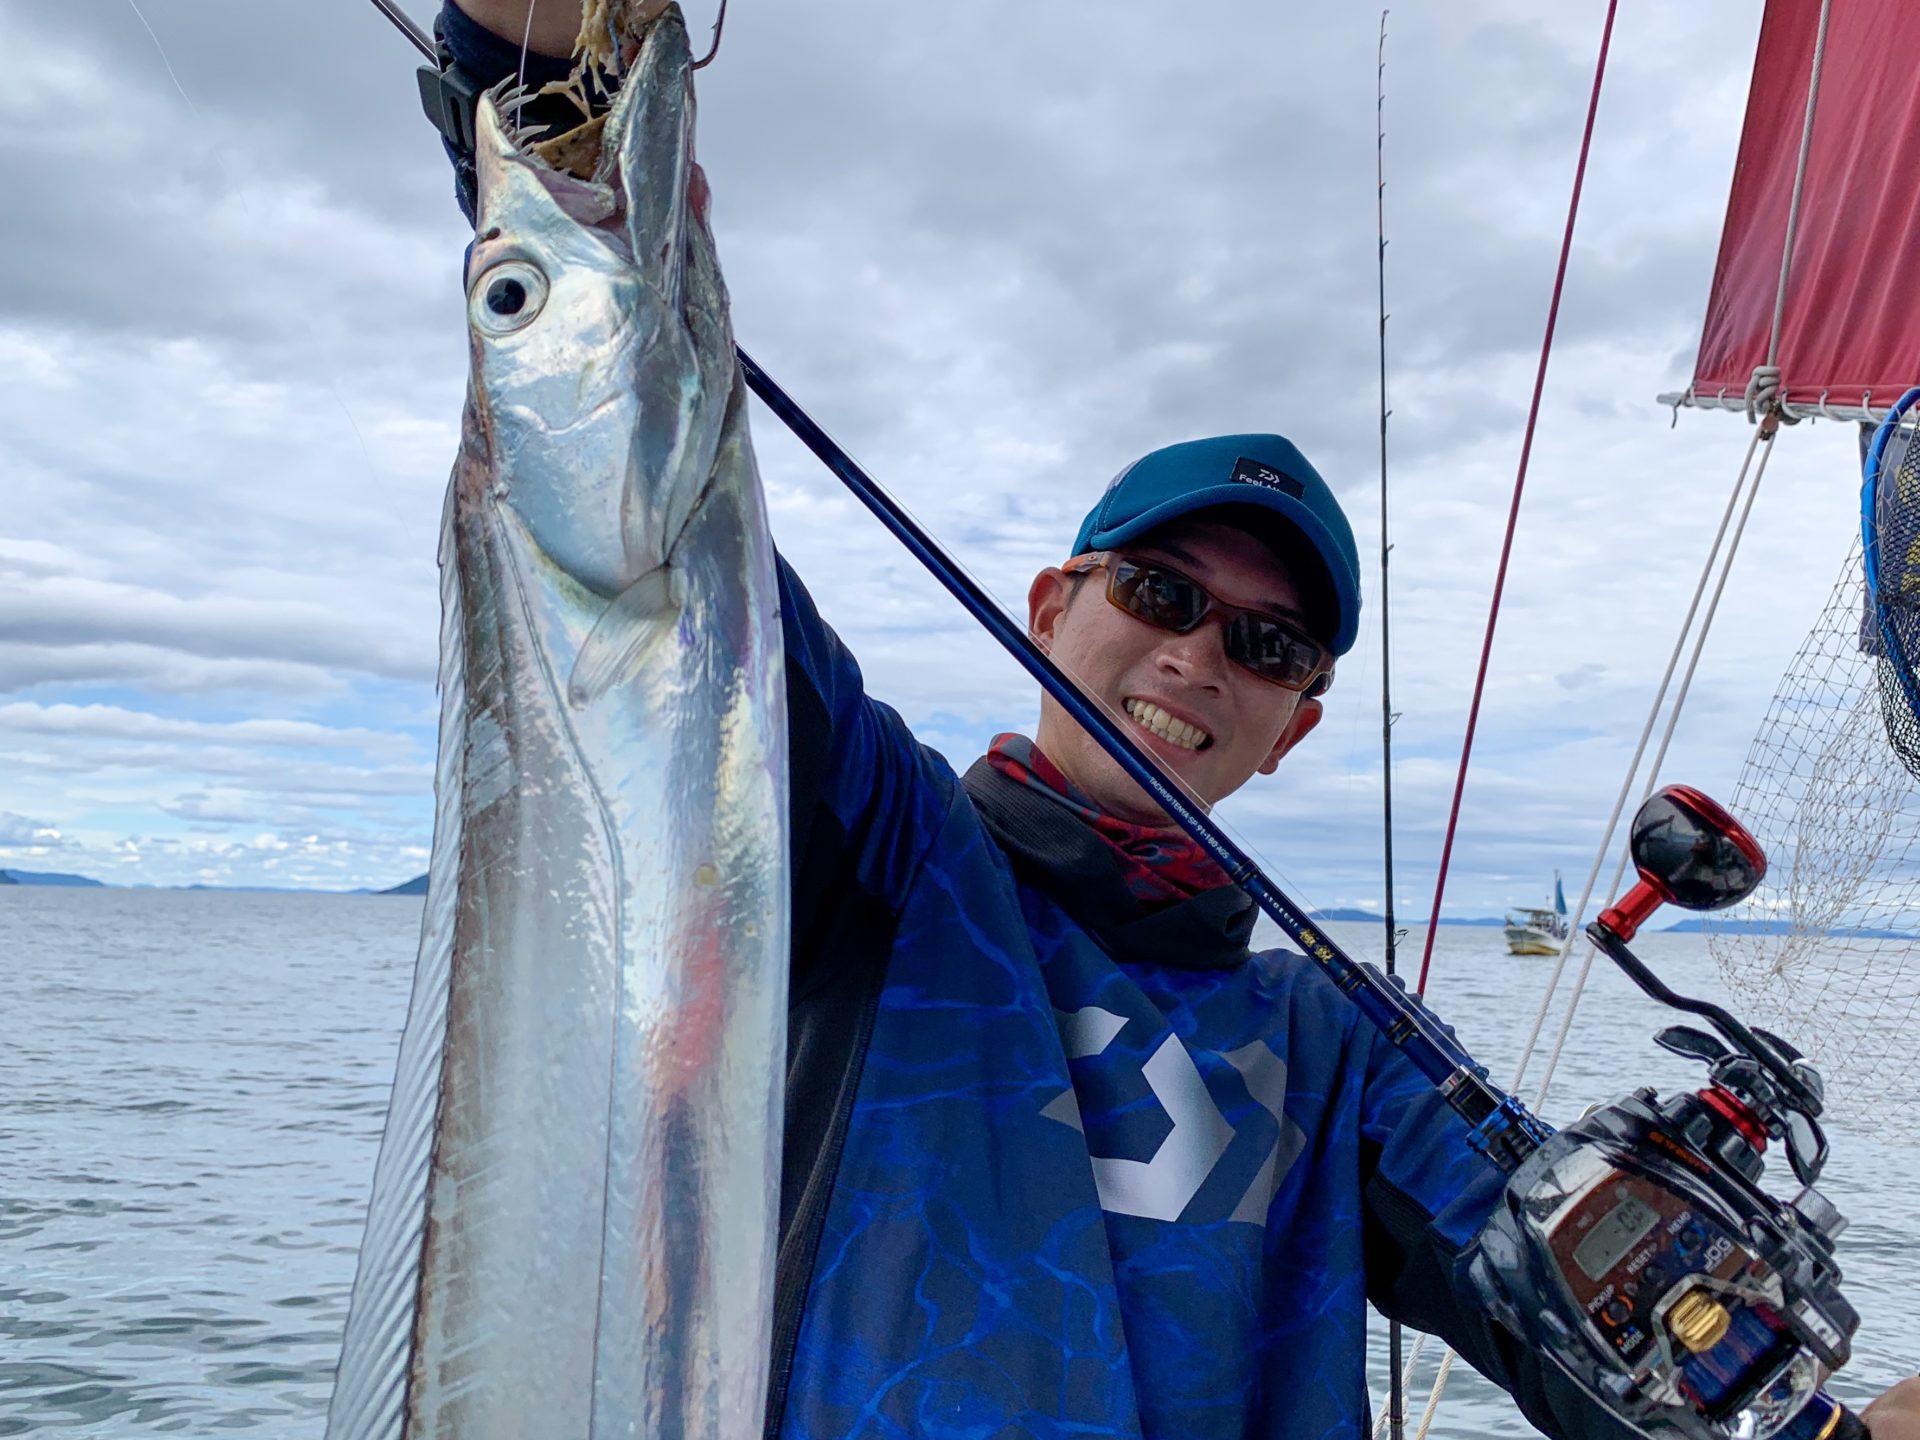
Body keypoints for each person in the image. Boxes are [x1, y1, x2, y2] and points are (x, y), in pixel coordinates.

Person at [426, 6, 1920, 1437]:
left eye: (1266, 641)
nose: (1197, 654)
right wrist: (543, 85)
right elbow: (648, 526)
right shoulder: (888, 849)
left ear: (1295, 727)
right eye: (1156, 589)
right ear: (1049, 605)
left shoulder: (1336, 1042)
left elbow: (1571, 1312)